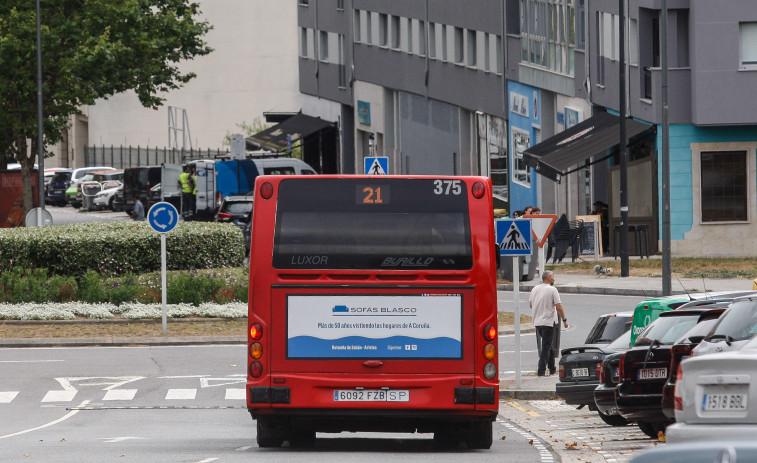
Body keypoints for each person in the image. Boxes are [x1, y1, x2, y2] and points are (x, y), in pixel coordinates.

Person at [529, 270, 568, 376]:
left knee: (549, 345)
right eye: (553, 277)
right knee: (546, 347)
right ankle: (541, 370)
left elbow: (531, 304)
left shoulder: (535, 289)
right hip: (548, 322)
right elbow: (558, 306)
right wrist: (564, 320)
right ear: (549, 278)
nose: (554, 279)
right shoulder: (552, 290)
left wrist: (539, 310)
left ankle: (552, 368)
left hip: (537, 321)